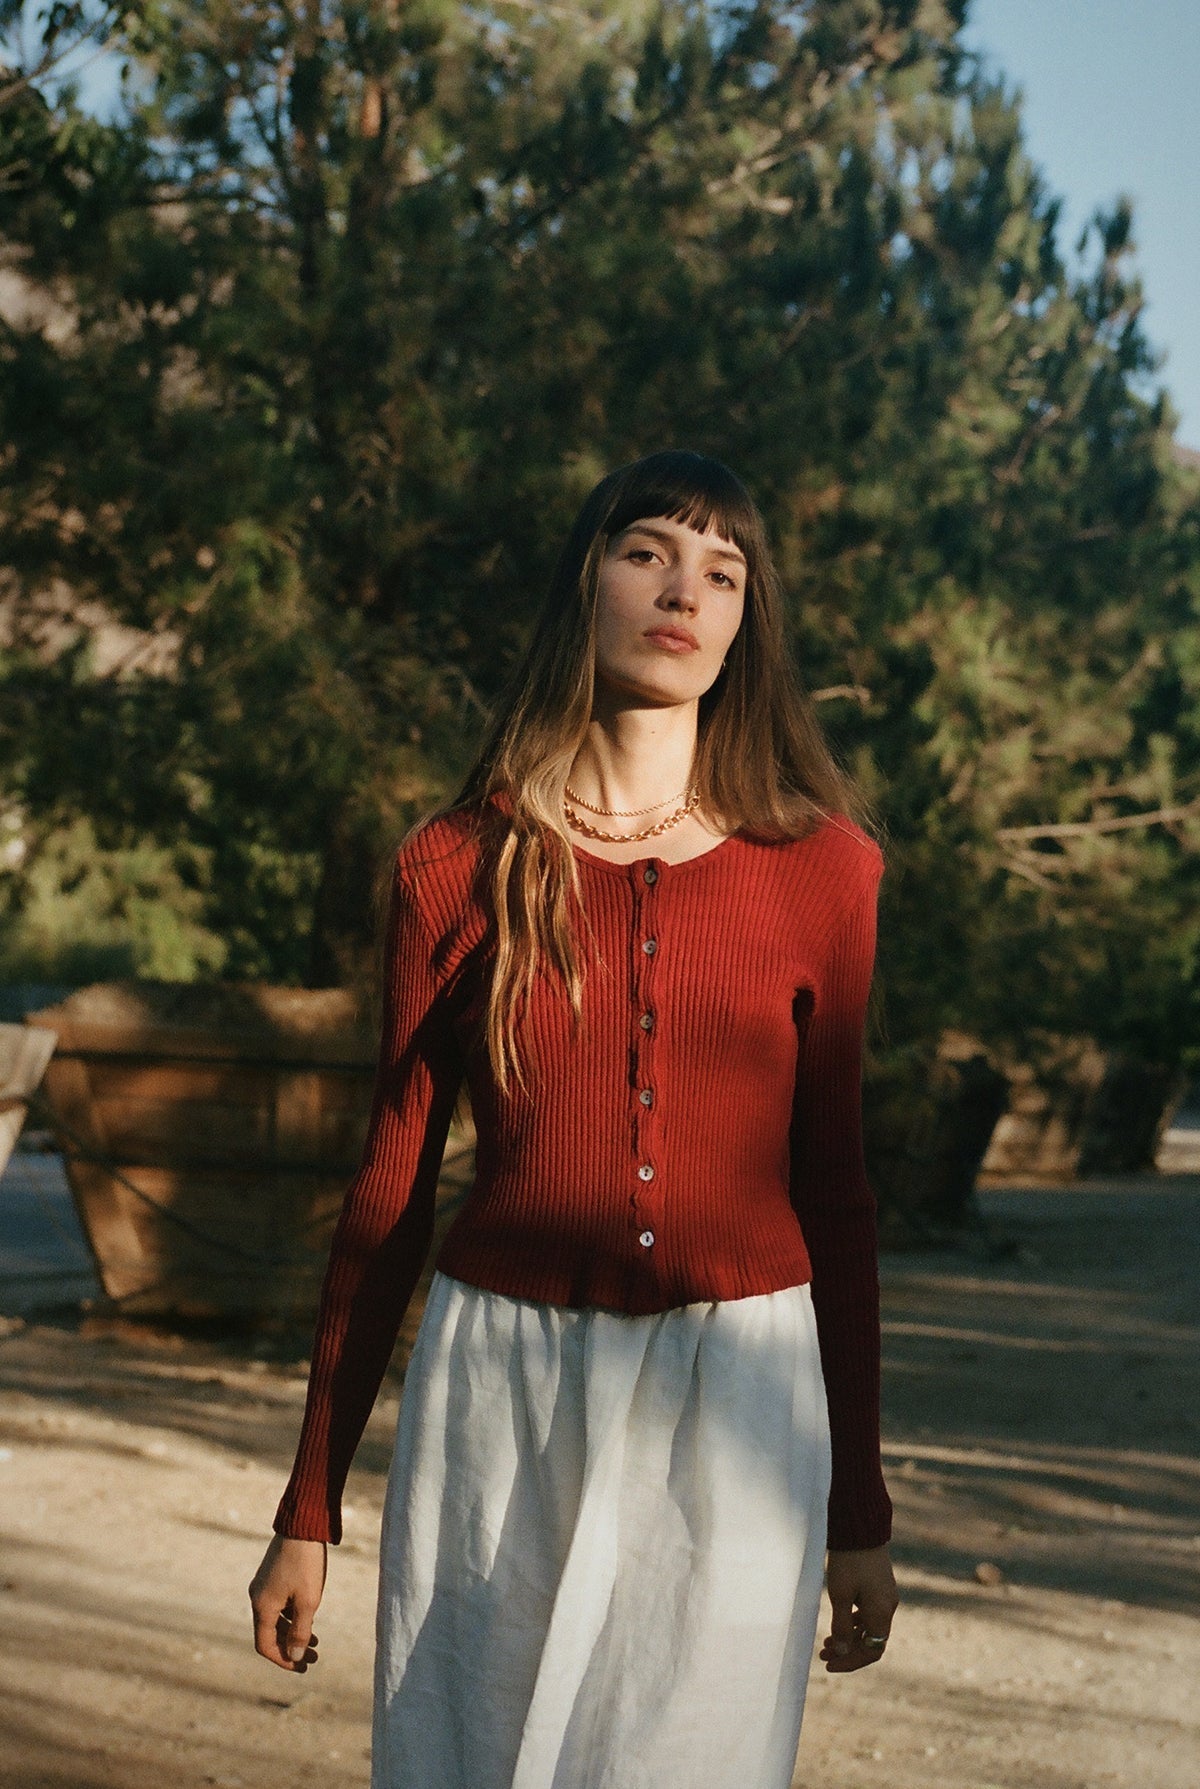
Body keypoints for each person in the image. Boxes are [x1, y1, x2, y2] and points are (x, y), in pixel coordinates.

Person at [249, 449, 897, 1788]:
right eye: (649, 551)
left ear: (748, 622)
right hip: (502, 1392)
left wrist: (859, 1509)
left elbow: (837, 1192)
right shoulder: (458, 859)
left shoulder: (827, 869)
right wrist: (308, 1506)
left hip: (742, 1395)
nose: (685, 590)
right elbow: (389, 1190)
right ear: (585, 583)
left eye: (725, 572)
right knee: (468, 1759)